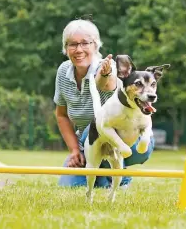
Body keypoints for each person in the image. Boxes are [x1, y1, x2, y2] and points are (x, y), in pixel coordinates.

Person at [53, 19, 155, 188]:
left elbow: (106, 84)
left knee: (97, 126)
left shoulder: (108, 67)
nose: (78, 49)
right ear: (66, 48)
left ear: (96, 45)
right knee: (70, 186)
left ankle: (117, 171)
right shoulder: (63, 71)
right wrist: (74, 151)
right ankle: (109, 174)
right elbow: (61, 115)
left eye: (85, 43)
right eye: (72, 44)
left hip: (130, 138)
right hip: (88, 141)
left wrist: (105, 74)